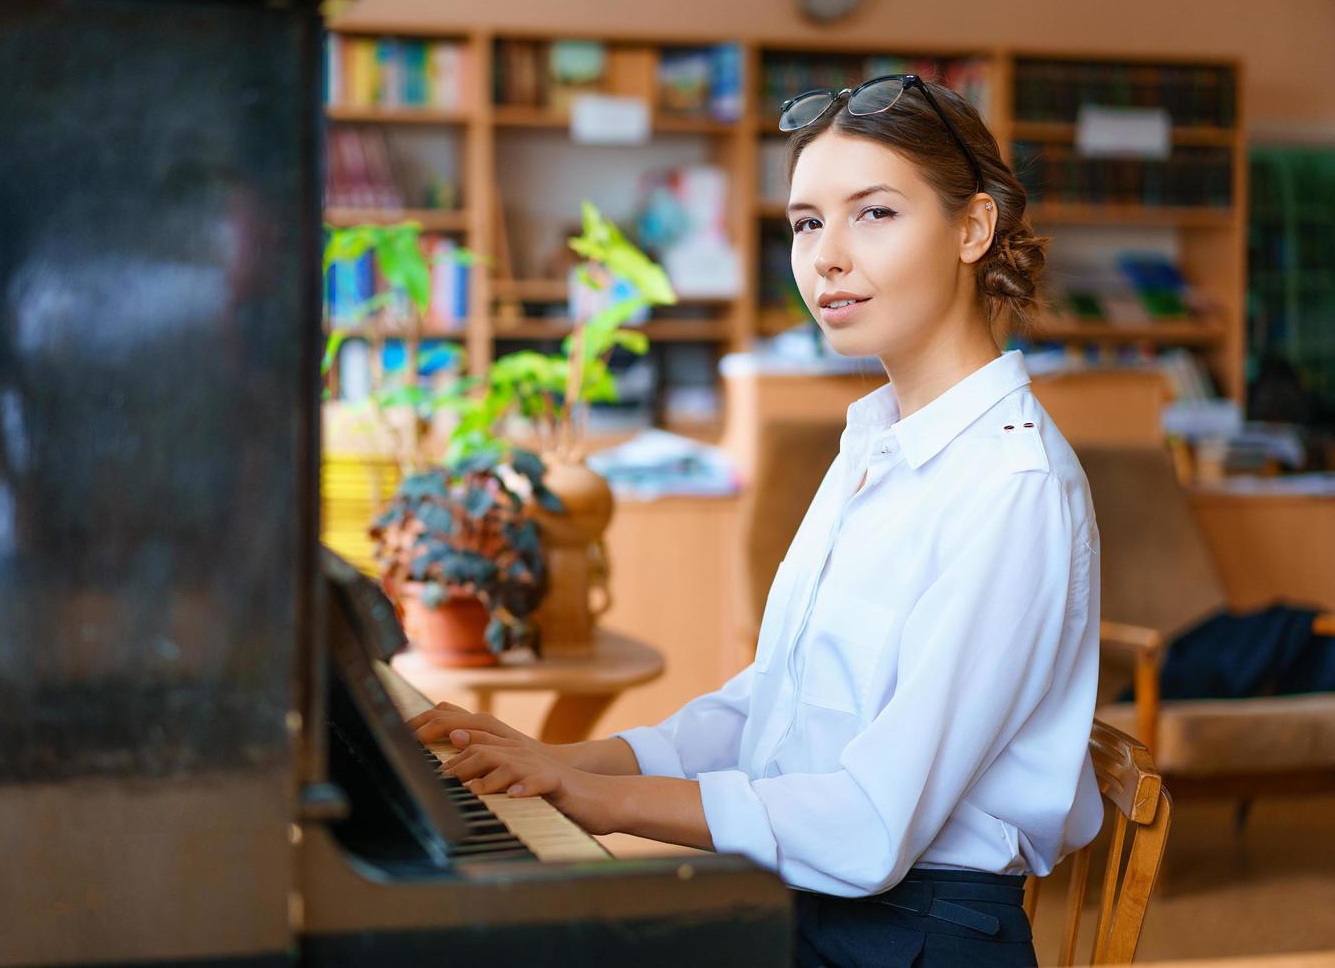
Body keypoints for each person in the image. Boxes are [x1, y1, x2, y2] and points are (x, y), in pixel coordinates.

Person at [408, 74, 1102, 967]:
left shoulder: (1014, 485)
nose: (827, 257)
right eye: (807, 222)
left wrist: (601, 803)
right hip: (810, 906)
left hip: (912, 937)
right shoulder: (874, 443)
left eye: (875, 213)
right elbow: (767, 713)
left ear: (971, 228)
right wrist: (566, 761)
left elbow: (867, 822)